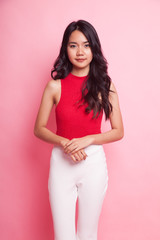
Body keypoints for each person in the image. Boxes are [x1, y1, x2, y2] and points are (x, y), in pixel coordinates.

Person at [34, 19, 124, 240]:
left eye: (86, 45)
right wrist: (65, 142)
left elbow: (118, 131)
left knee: (87, 234)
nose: (80, 51)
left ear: (94, 48)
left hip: (93, 163)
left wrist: (87, 140)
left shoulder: (105, 84)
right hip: (61, 162)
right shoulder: (54, 86)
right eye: (73, 45)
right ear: (65, 49)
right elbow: (39, 128)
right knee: (63, 236)